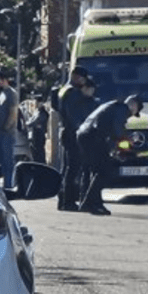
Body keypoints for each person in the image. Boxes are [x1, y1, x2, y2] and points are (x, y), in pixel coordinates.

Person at [76, 95, 143, 215]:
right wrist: (126, 148)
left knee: (93, 170)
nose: (131, 116)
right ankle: (92, 204)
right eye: (135, 112)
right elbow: (118, 130)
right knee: (103, 171)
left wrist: (117, 148)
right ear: (134, 105)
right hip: (93, 136)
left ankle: (89, 203)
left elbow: (111, 131)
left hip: (85, 134)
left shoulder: (111, 105)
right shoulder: (122, 108)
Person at [57, 66, 92, 210]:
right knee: (73, 168)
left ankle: (63, 200)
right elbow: (74, 115)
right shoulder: (73, 93)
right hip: (73, 133)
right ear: (76, 76)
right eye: (82, 78)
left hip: (66, 131)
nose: (84, 82)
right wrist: (82, 129)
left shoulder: (64, 89)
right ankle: (68, 201)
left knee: (67, 168)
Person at [0, 68, 19, 190]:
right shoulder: (2, 94)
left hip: (7, 134)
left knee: (8, 161)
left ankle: (9, 185)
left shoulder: (11, 94)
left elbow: (13, 113)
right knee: (2, 161)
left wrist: (6, 127)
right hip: (0, 133)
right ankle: (6, 184)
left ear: (4, 80)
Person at [26, 96, 49, 163]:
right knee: (35, 152)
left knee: (40, 152)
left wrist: (27, 124)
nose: (35, 103)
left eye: (37, 102)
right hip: (35, 135)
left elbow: (34, 121)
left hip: (40, 135)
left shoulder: (43, 113)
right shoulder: (37, 111)